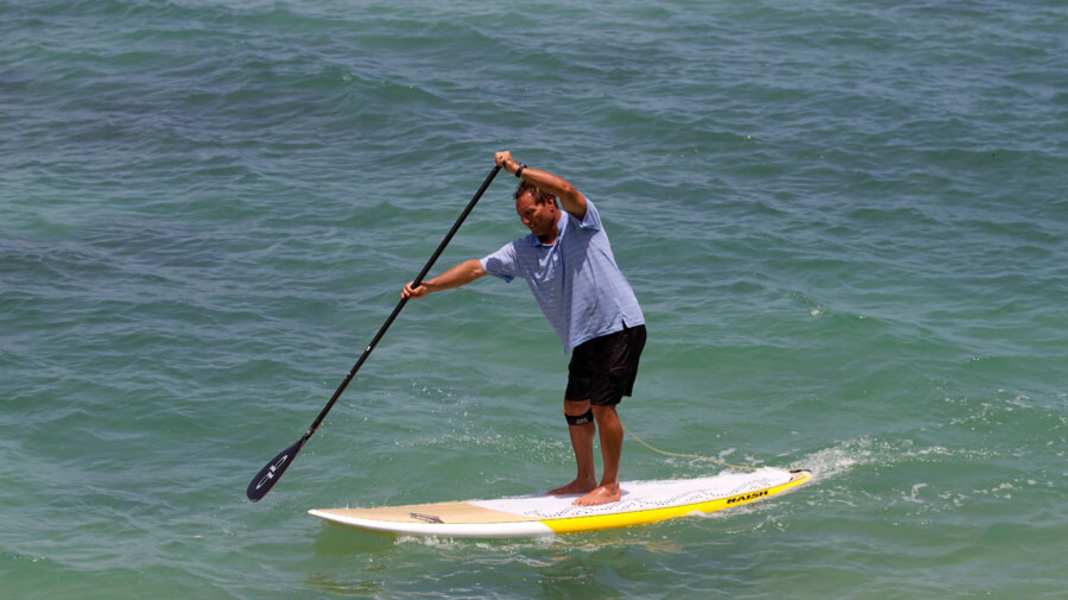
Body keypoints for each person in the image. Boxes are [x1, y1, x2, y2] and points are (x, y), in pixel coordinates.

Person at [401, 151, 646, 506]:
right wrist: (429, 287)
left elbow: (566, 187)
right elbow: (475, 268)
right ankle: (584, 478)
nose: (526, 221)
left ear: (549, 204)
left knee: (602, 405)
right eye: (521, 217)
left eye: (530, 213)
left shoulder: (584, 224)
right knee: (574, 407)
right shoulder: (523, 251)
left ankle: (610, 486)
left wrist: (516, 170)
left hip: (617, 324)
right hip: (584, 336)